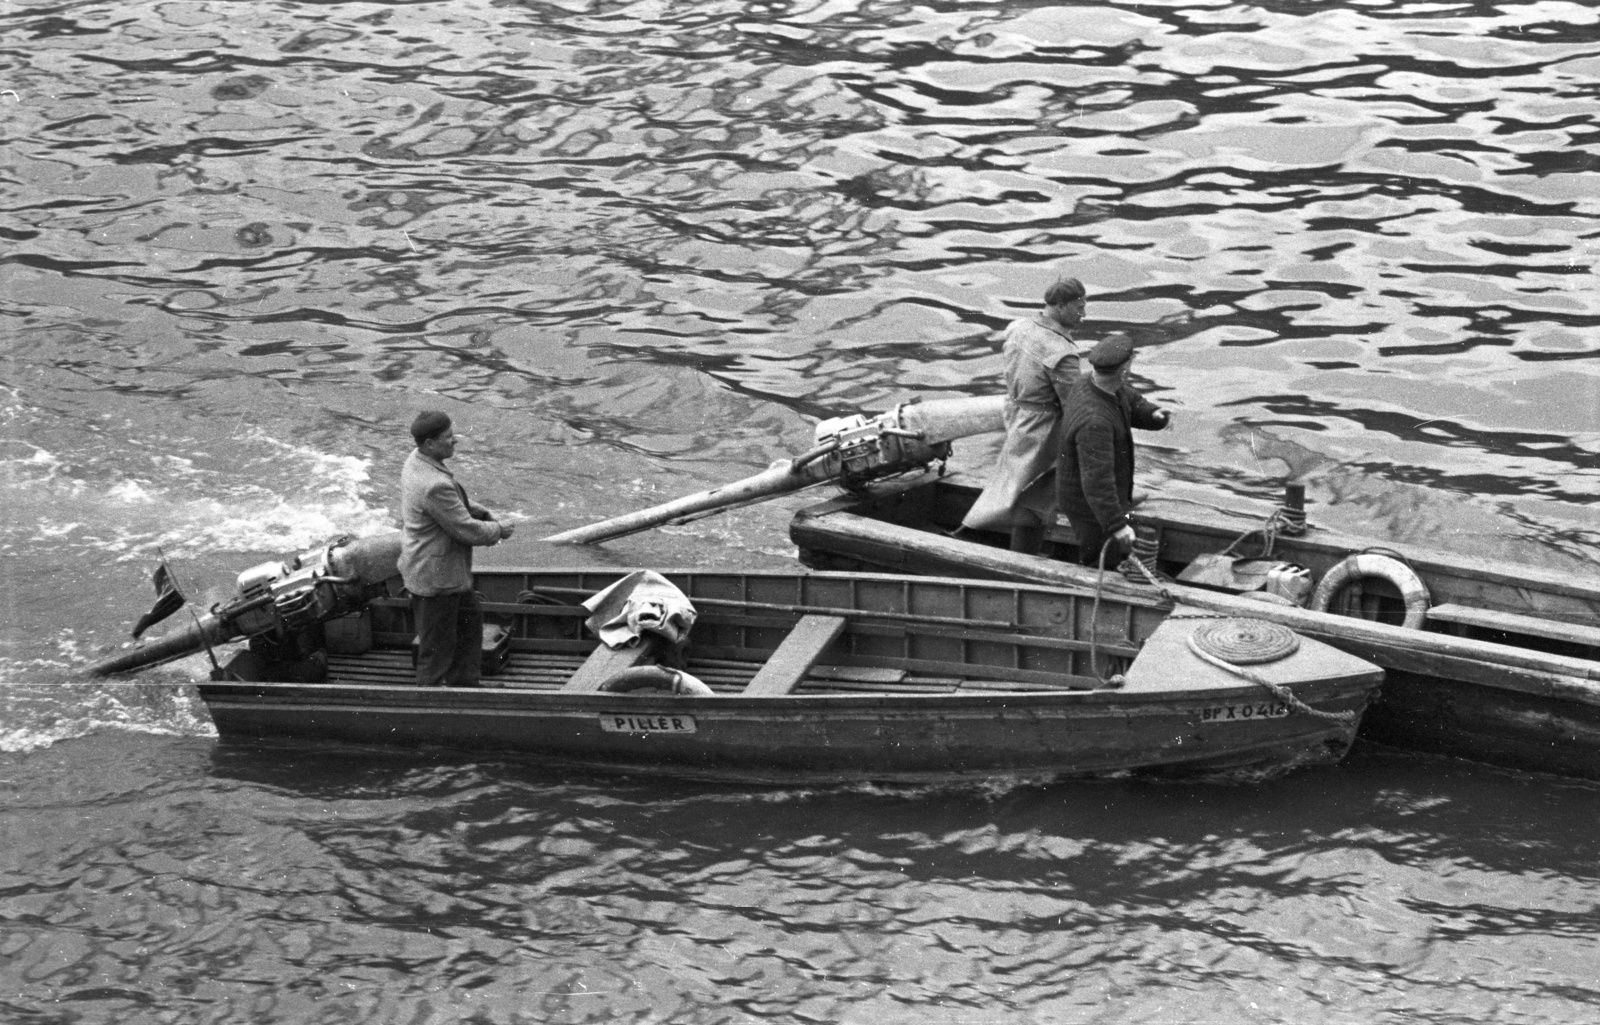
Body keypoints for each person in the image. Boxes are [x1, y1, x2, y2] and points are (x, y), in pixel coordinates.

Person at [960, 276, 1088, 554]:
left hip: (1017, 414)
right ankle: (1018, 554)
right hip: (1044, 427)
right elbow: (1073, 405)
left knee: (1016, 484)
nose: (1083, 315)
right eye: (1079, 308)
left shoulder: (1018, 328)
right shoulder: (1062, 353)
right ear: (1062, 306)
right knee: (1039, 493)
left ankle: (1009, 545)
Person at [398, 411, 514, 687]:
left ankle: (465, 687)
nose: (455, 441)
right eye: (449, 438)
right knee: (436, 650)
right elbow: (465, 528)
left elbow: (455, 503)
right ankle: (429, 704)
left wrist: (485, 513)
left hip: (444, 573)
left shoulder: (417, 461)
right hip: (437, 578)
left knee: (469, 628)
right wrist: (499, 529)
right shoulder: (433, 485)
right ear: (429, 443)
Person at [1056, 333, 1171, 567]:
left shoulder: (1093, 382)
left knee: (1108, 550)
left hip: (1098, 498)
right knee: (1099, 560)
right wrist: (1118, 526)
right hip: (1088, 506)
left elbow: (1129, 398)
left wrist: (1152, 414)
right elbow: (1098, 482)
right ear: (1125, 369)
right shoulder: (1095, 422)